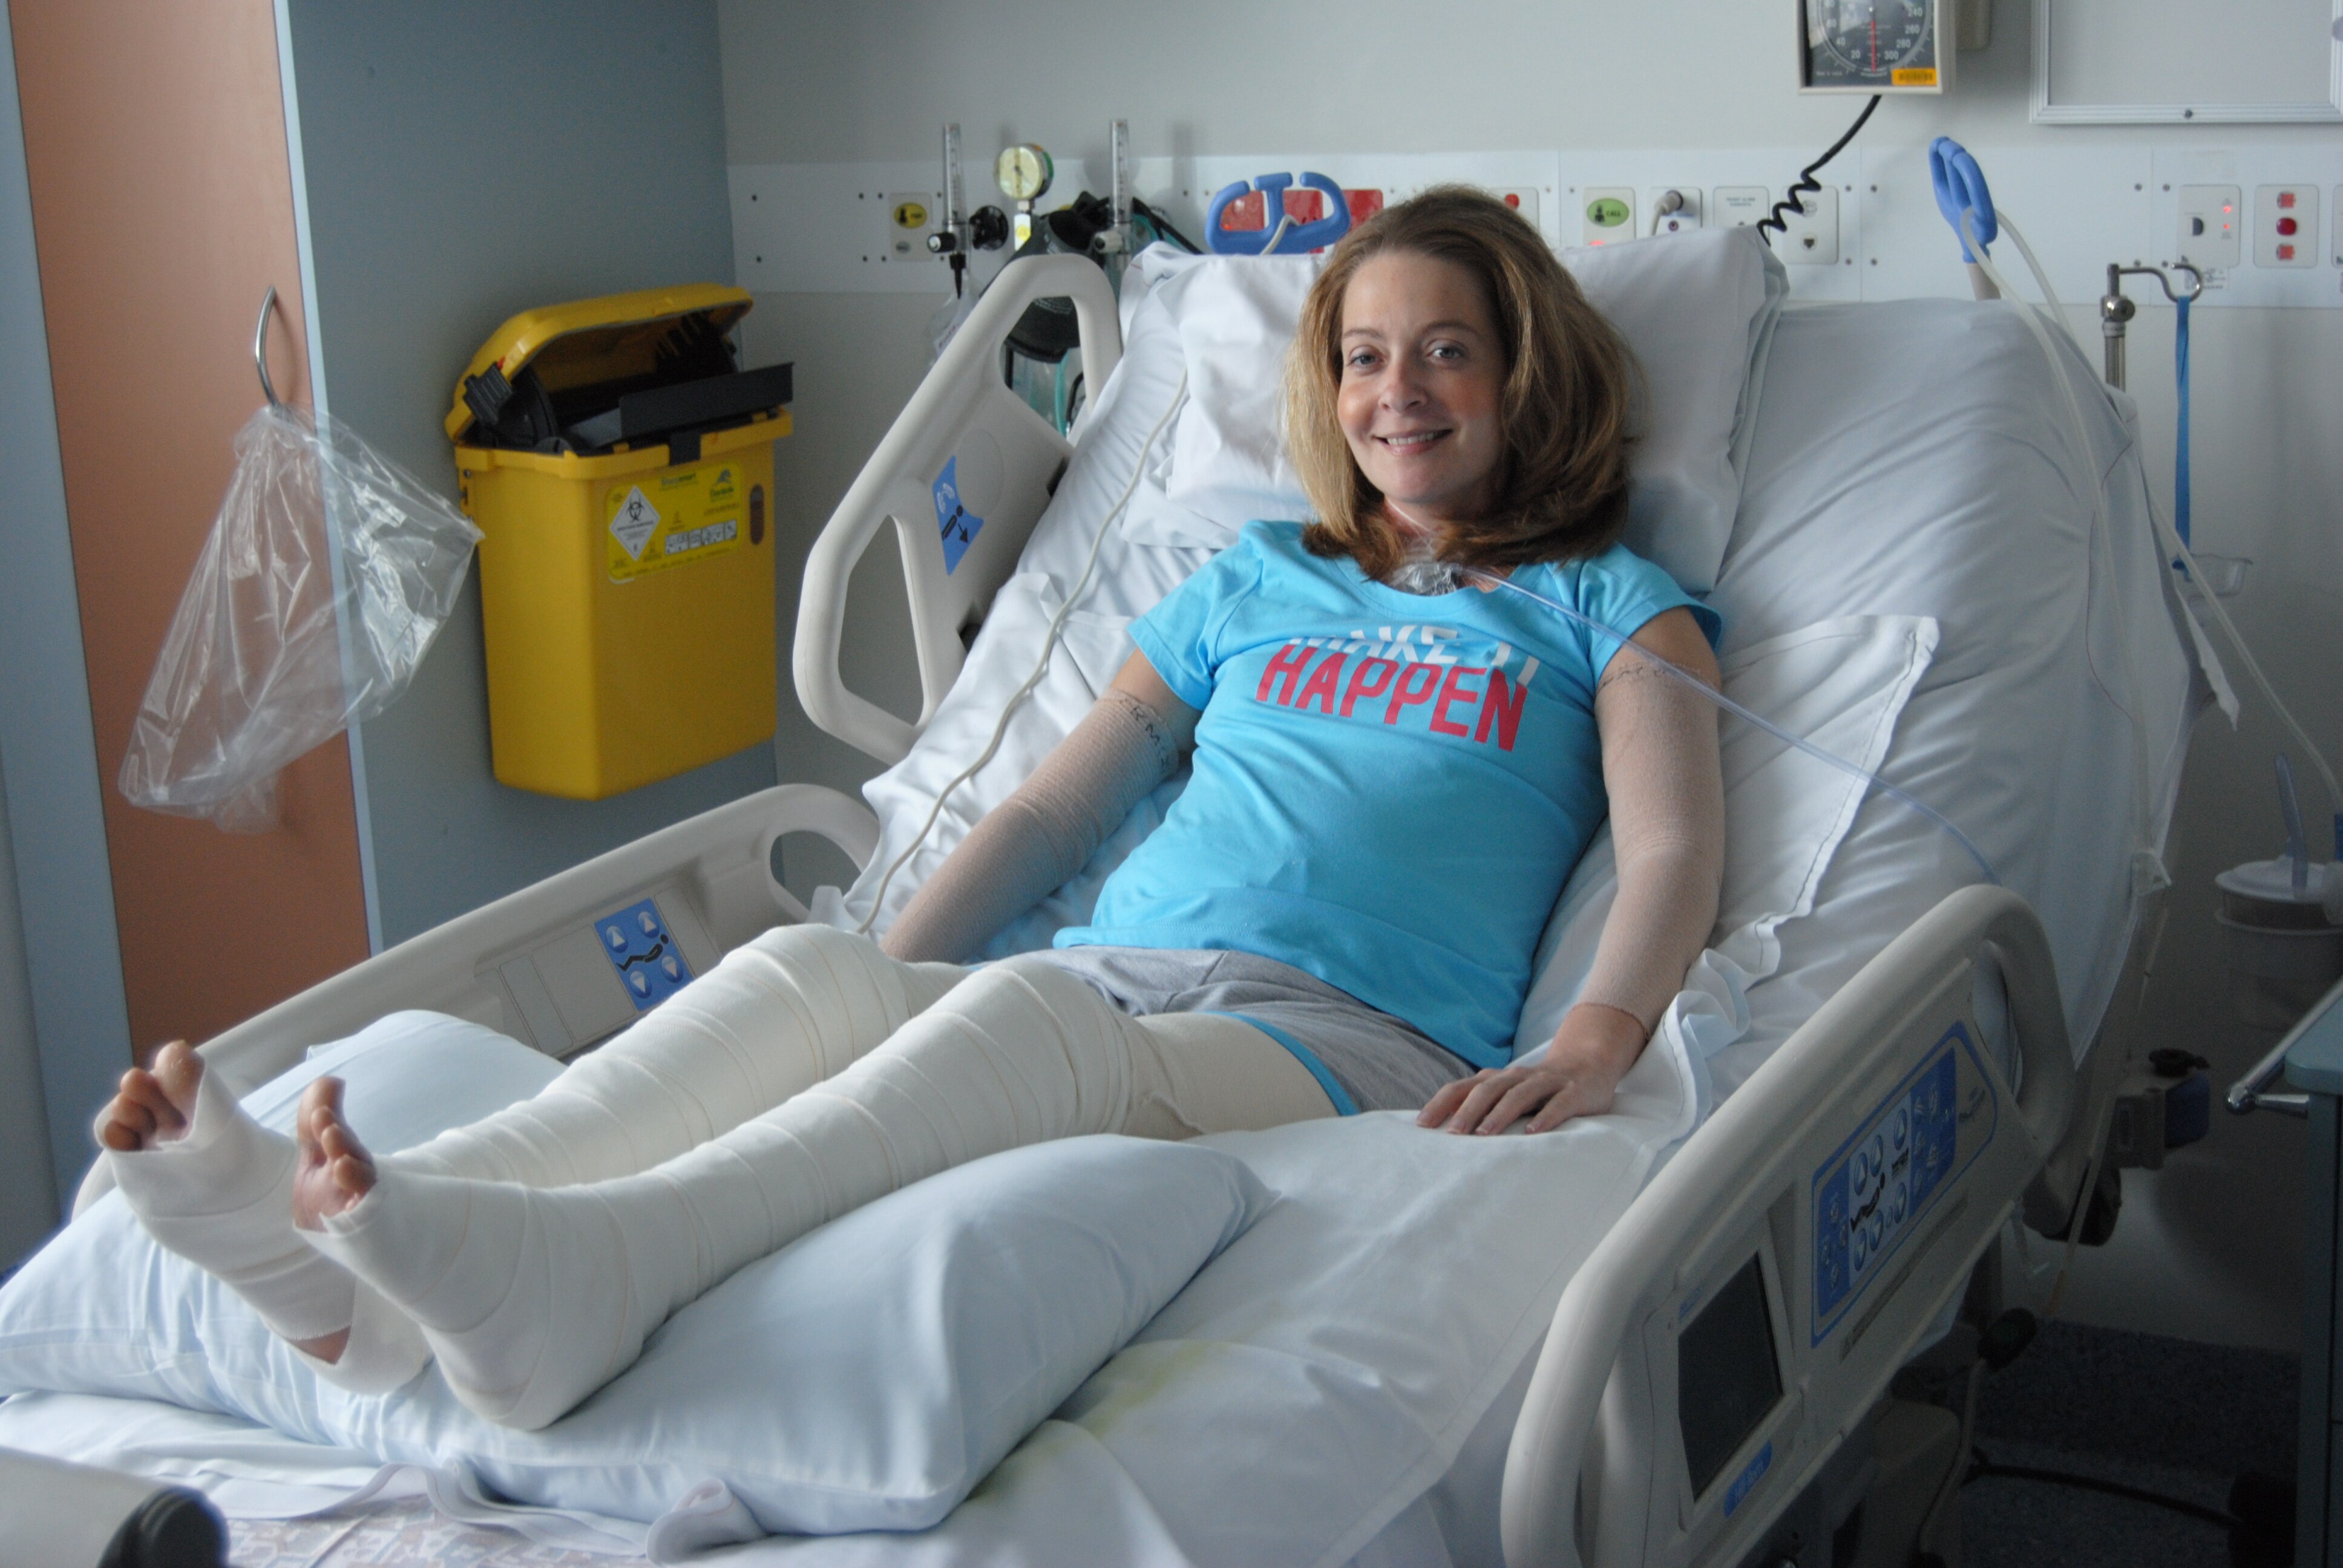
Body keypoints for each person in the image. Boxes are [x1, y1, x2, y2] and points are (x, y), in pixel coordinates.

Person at [94, 187, 1725, 1432]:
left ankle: (581, 1275)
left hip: (1349, 1040)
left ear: (1526, 371)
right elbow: (1044, 817)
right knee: (811, 984)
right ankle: (359, 1257)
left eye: (1448, 348)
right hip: (1121, 981)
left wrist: (1593, 1041)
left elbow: (1668, 847)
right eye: (1366, 354)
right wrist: (883, 980)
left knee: (1019, 1033)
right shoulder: (1257, 580)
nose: (1400, 391)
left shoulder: (1607, 603)